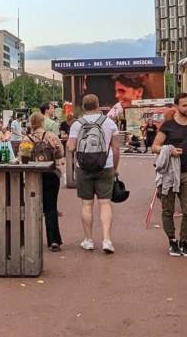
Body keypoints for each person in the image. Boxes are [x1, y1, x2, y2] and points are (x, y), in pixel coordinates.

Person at [149, 93, 187, 257]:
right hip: (169, 174)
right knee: (168, 209)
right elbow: (155, 147)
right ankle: (172, 241)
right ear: (176, 106)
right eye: (184, 105)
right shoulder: (168, 125)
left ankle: (184, 241)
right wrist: (169, 150)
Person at [67, 94, 121, 254]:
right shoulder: (110, 123)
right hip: (106, 165)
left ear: (83, 107)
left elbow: (71, 147)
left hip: (83, 167)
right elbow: (116, 148)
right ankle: (107, 239)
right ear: (98, 105)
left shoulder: (77, 124)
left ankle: (89, 240)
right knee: (105, 203)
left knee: (87, 204)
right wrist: (115, 167)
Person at [27, 112, 65, 250]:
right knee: (51, 207)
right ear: (43, 122)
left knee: (33, 207)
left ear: (31, 123)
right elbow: (60, 153)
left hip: (33, 176)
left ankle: (32, 239)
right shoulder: (51, 136)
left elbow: (21, 157)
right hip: (50, 174)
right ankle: (54, 240)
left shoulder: (27, 139)